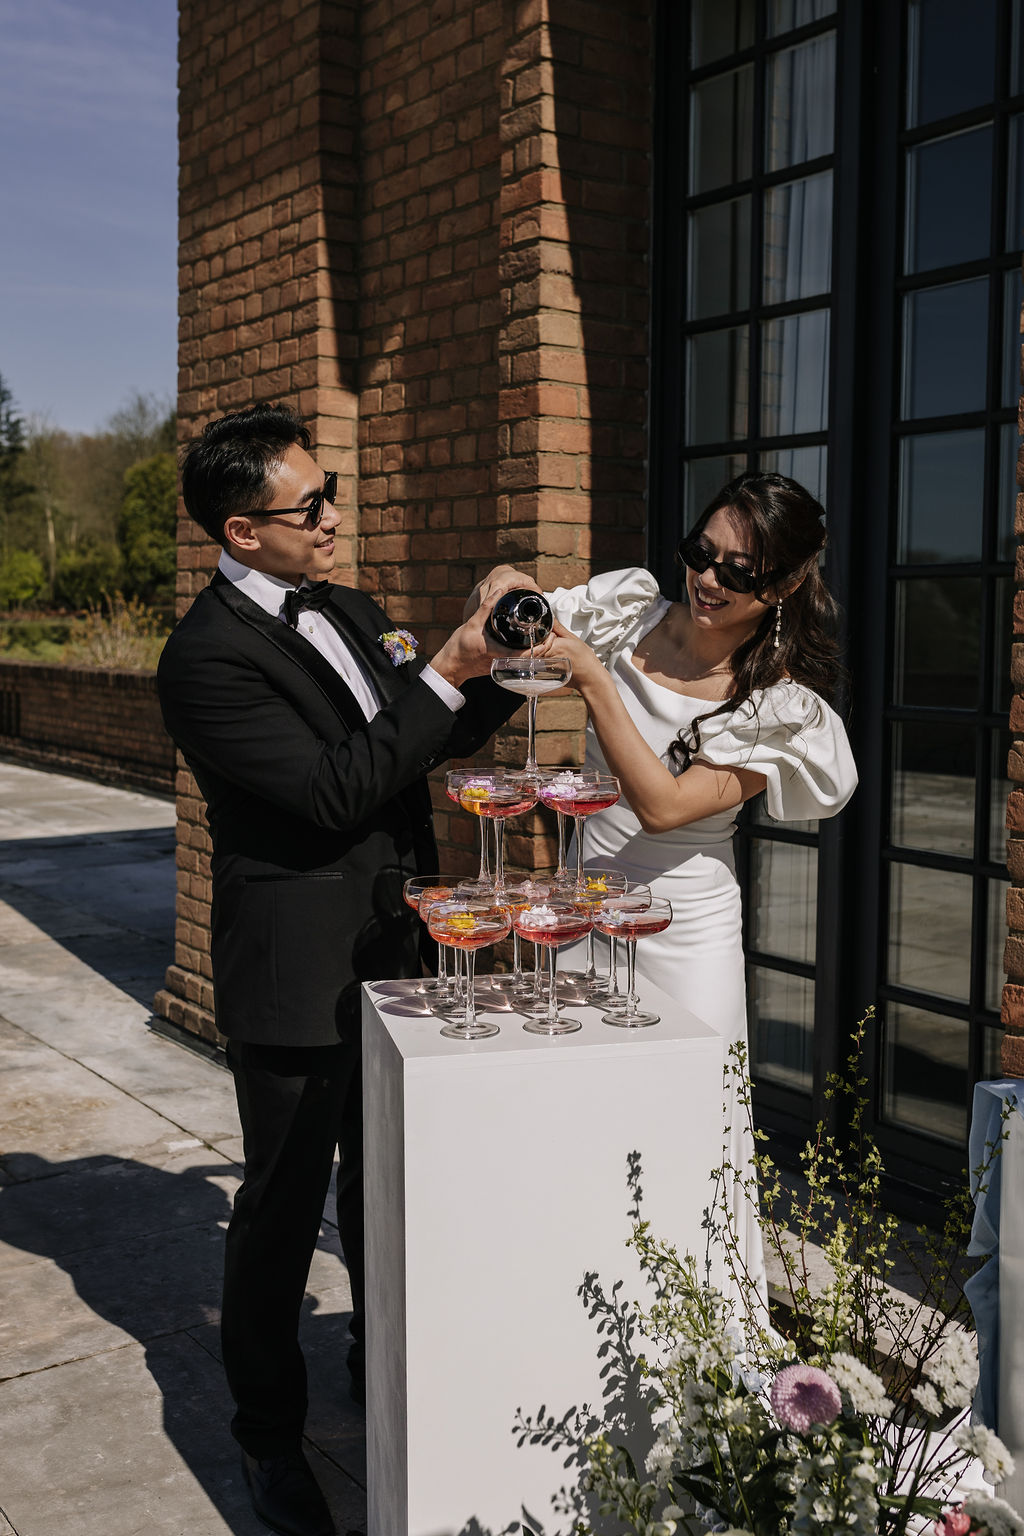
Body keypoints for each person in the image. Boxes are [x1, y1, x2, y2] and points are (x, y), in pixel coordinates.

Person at [158, 403, 525, 1536]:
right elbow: (333, 792)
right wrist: (447, 667)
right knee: (280, 1211)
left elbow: (432, 733)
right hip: (295, 972)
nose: (331, 517)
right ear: (241, 529)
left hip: (396, 946)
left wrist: (499, 653)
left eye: (330, 494)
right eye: (309, 504)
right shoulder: (204, 660)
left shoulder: (353, 609)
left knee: (387, 1187)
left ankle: (383, 1361)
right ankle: (269, 1438)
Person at [472, 472, 857, 1289]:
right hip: (583, 911)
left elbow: (664, 807)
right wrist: (506, 586)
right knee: (576, 1120)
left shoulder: (779, 705)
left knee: (689, 1130)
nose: (708, 579)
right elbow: (521, 607)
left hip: (685, 932)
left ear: (785, 584)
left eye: (740, 570)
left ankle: (697, 1329)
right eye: (699, 552)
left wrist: (594, 680)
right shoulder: (630, 612)